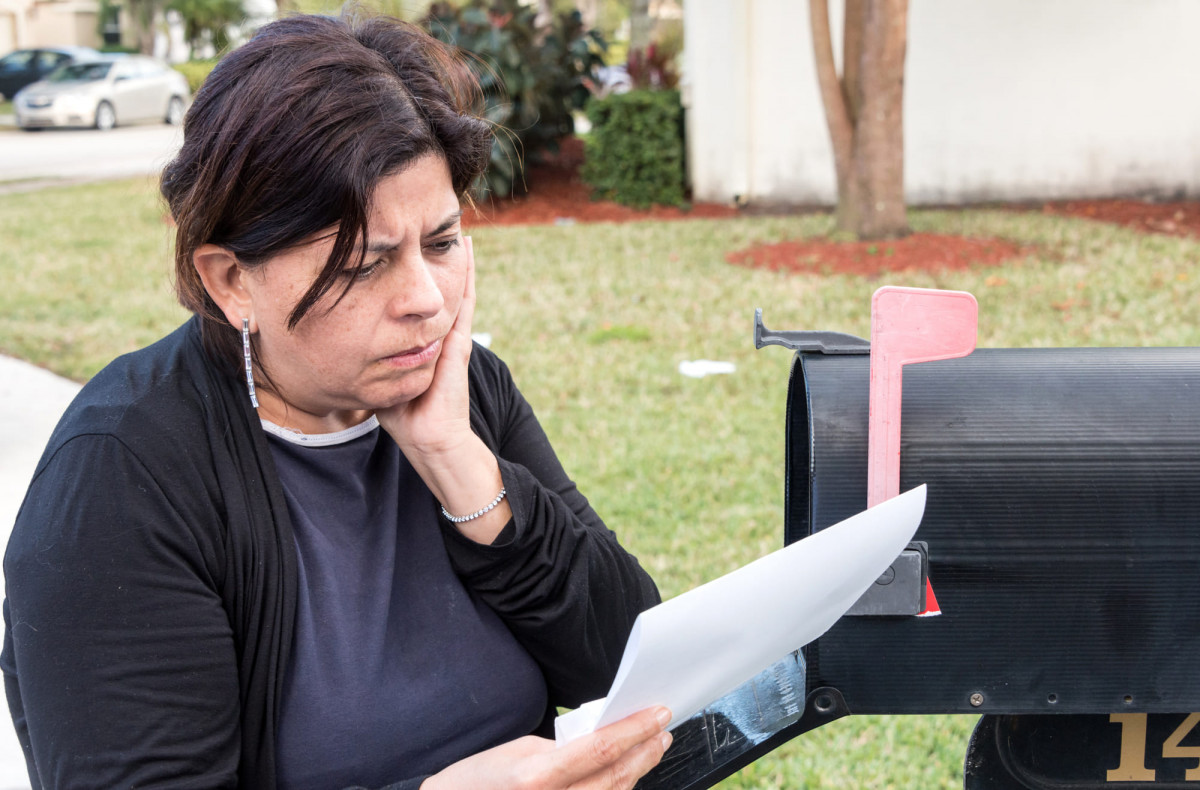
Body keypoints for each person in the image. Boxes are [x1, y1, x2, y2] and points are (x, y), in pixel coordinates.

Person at [2, 11, 669, 789]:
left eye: (443, 243)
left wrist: (461, 466)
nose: (426, 299)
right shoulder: (125, 478)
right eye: (363, 264)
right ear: (231, 281)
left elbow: (624, 658)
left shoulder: (465, 391)